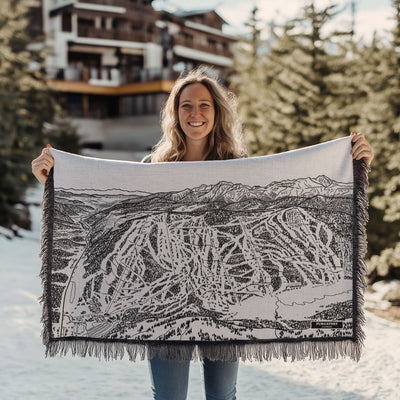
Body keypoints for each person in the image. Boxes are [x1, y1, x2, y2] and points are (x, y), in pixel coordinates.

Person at [32, 67, 374, 400]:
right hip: (160, 307)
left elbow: (299, 189)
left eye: (204, 105)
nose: (195, 113)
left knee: (222, 394)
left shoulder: (240, 168)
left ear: (217, 112)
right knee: (168, 396)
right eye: (186, 105)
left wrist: (354, 163)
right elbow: (100, 191)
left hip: (228, 302)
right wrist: (52, 180)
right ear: (175, 114)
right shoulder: (152, 170)